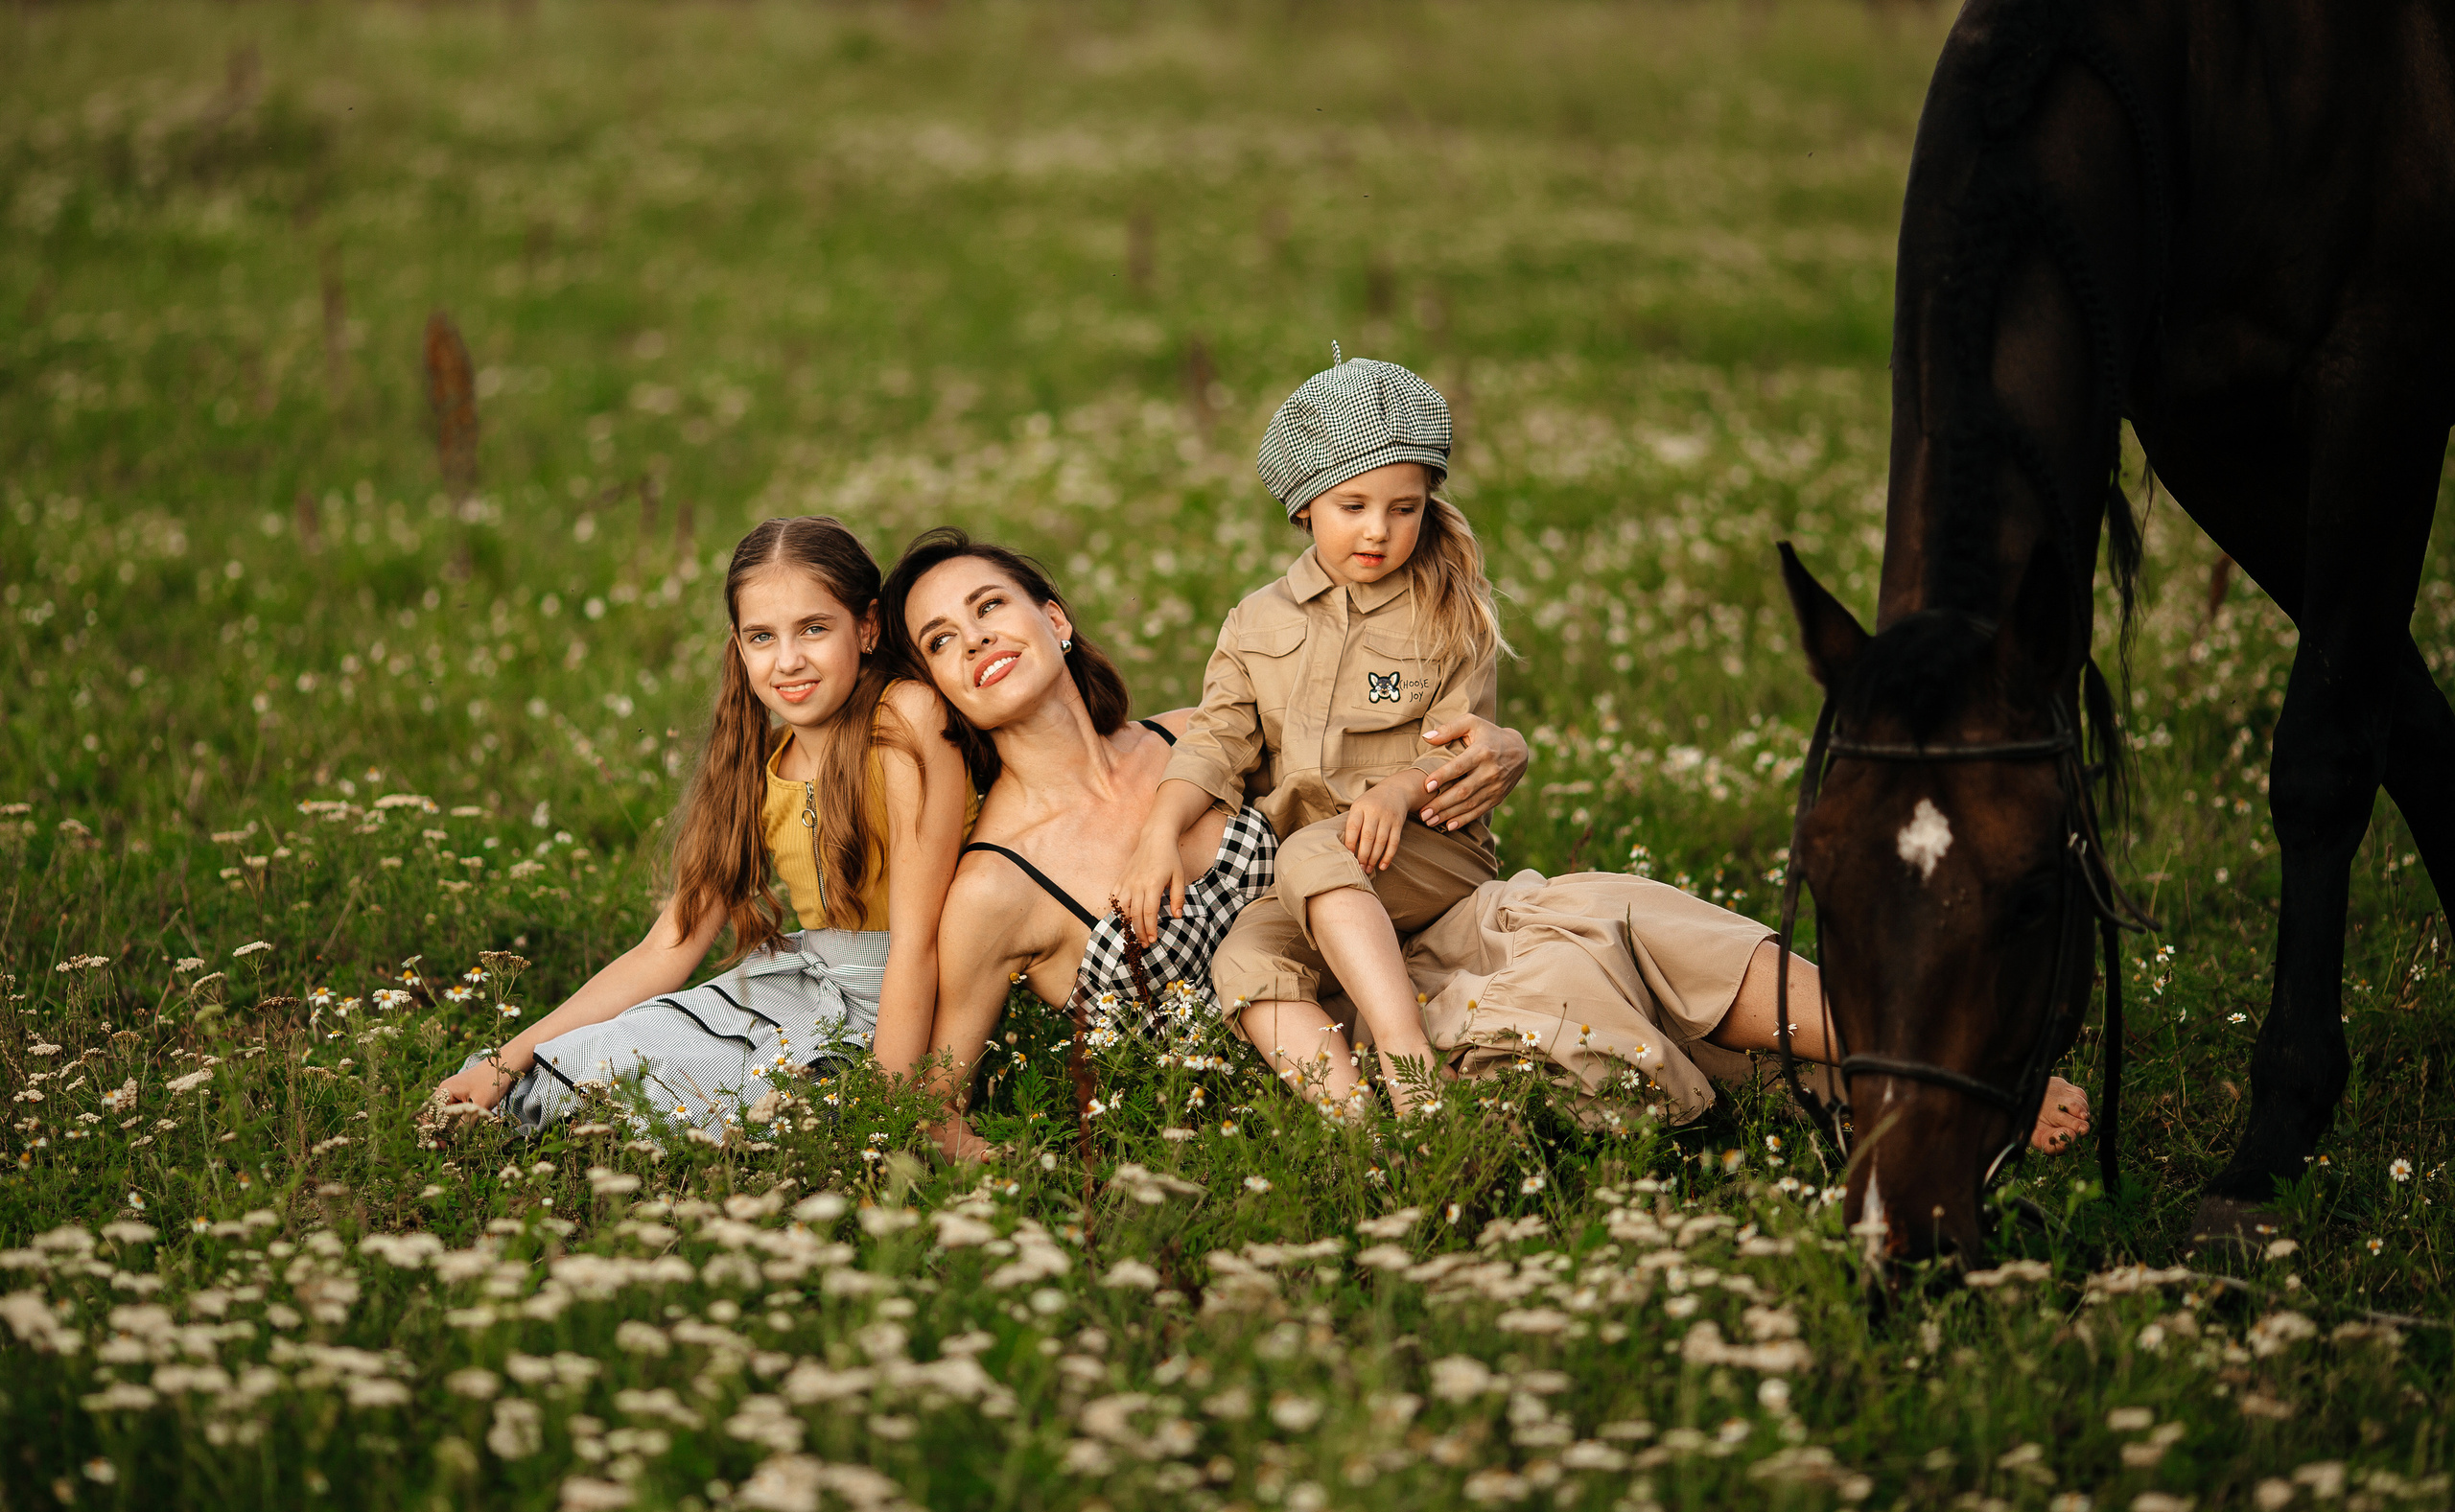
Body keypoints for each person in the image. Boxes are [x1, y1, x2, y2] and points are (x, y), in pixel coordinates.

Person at [890, 528, 2093, 1159]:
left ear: (1050, 616)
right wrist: (1022, 1181)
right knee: (1584, 989)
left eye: (990, 604)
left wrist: (1494, 752)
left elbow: (1360, 782)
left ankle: (1949, 1063)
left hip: (1425, 929)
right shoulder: (998, 884)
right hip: (1344, 1061)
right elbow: (930, 1104)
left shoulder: (1189, 740)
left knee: (1612, 910)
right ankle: (1946, 1090)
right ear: (937, 688)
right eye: (940, 640)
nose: (975, 639)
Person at [431, 517, 970, 1132]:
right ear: (739, 647)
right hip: (805, 984)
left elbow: (919, 942)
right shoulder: (755, 762)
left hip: (911, 996)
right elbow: (667, 947)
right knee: (597, 1066)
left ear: (868, 626)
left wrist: (891, 1113)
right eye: (762, 637)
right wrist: (504, 1061)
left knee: (747, 1111)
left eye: (815, 629)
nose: (789, 660)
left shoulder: (905, 716)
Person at [1118, 356, 1509, 1114]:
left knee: (1311, 845)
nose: (1379, 529)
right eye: (1352, 504)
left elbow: (1464, 748)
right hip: (1311, 875)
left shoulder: (1452, 608)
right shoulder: (1257, 619)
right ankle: (1358, 1127)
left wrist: (1399, 793)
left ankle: (1410, 1071)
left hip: (1431, 853)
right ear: (1304, 507)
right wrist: (1157, 835)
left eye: (1405, 507)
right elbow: (1215, 742)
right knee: (1244, 957)